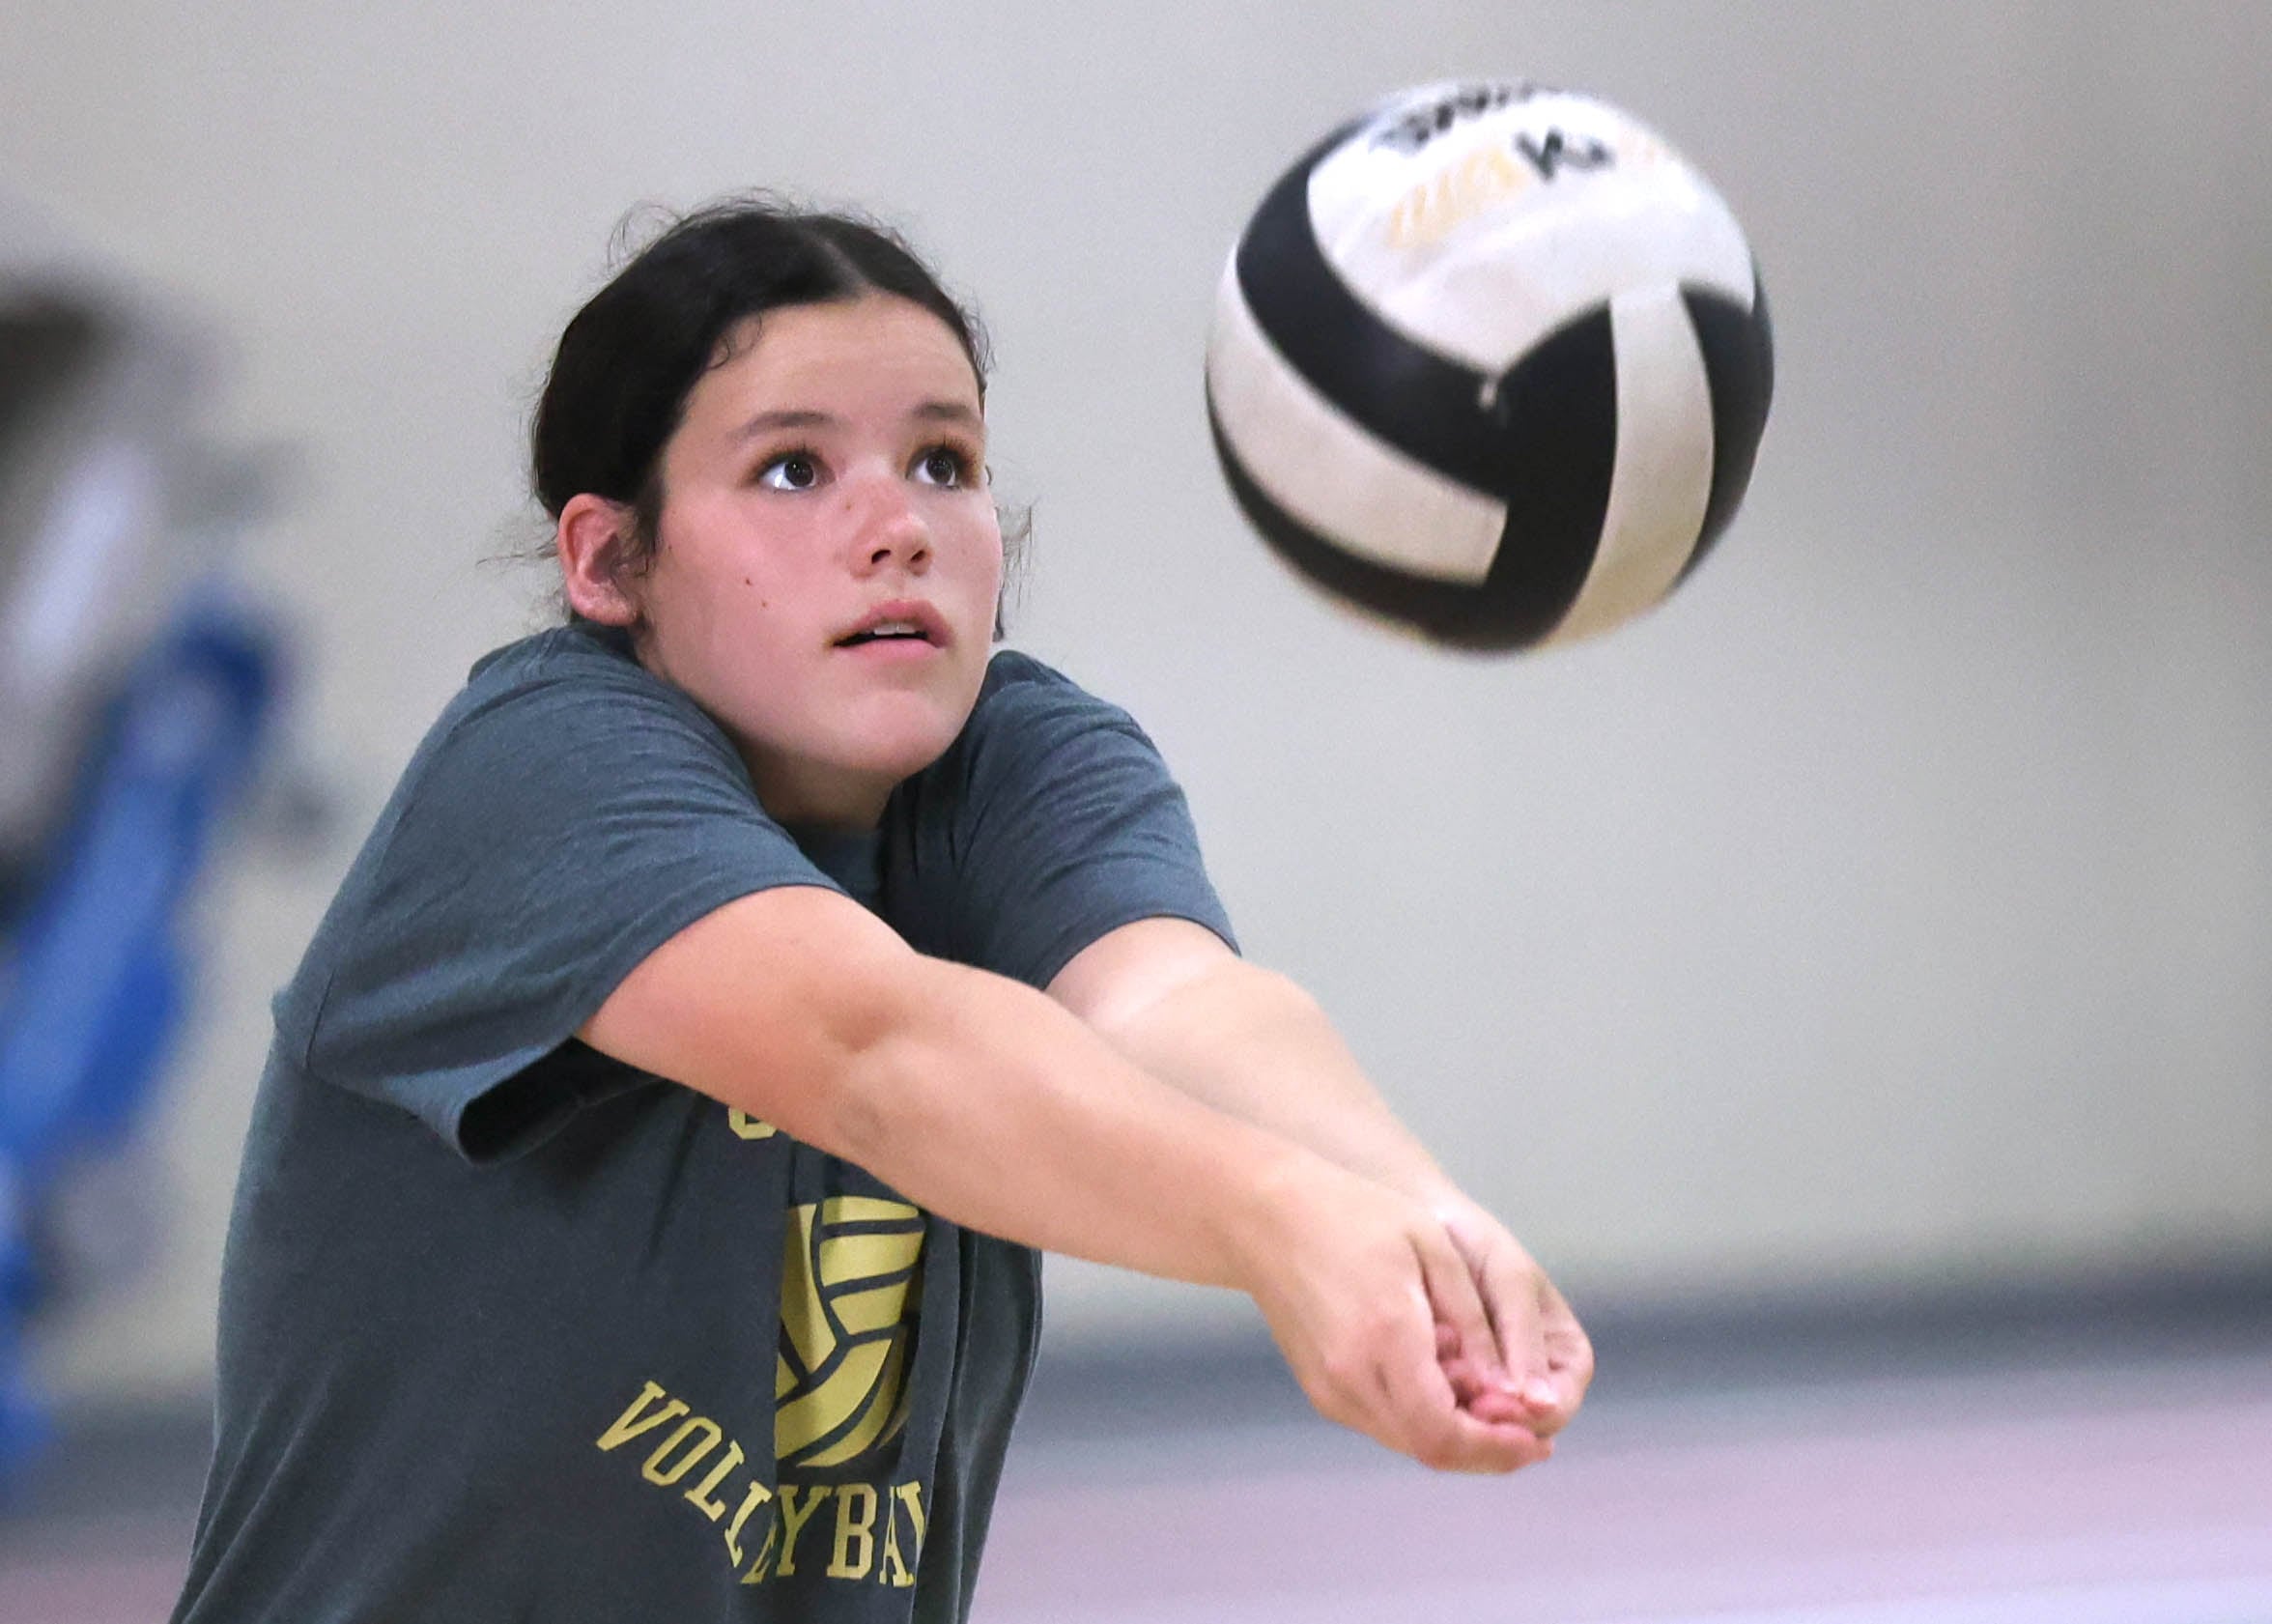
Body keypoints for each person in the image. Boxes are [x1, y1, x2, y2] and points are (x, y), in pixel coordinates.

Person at [169, 197, 1592, 1624]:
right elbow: (877, 1054)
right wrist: (1287, 1227)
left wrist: (1423, 1219)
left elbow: (1174, 1004)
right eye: (793, 467)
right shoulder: (538, 767)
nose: (899, 525)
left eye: (944, 460)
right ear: (607, 562)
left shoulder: (1022, 758)